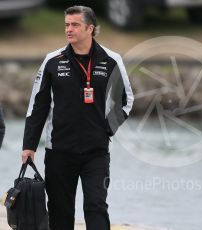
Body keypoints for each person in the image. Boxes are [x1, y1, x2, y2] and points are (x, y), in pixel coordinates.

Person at [21, 5, 134, 230]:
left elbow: (127, 100)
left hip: (96, 152)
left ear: (90, 28)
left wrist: (107, 129)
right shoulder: (52, 60)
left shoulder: (111, 60)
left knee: (96, 206)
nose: (69, 29)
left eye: (75, 25)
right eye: (66, 25)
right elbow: (38, 106)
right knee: (60, 212)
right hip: (59, 151)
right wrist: (29, 146)